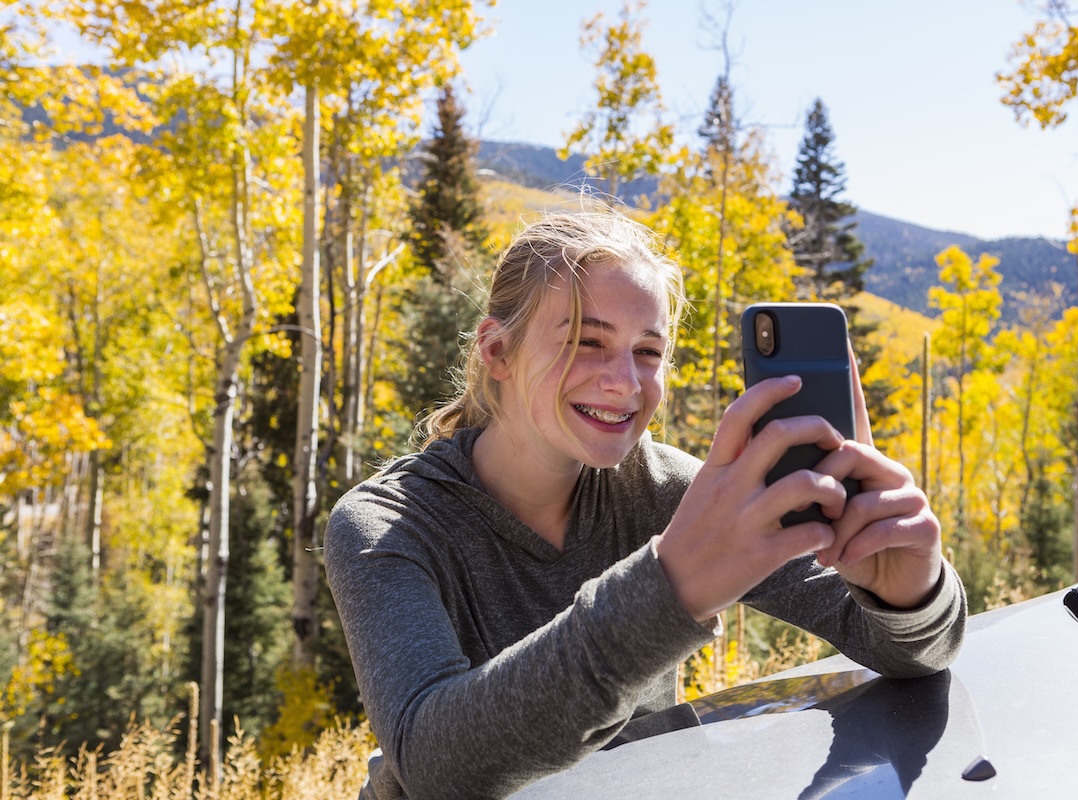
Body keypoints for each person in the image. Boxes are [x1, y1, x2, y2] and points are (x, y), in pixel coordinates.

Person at [323, 210, 967, 800]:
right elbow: (436, 765)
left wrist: (907, 595)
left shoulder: (661, 489)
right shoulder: (386, 524)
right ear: (497, 352)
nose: (625, 382)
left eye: (647, 352)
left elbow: (911, 653)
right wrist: (668, 587)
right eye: (586, 340)